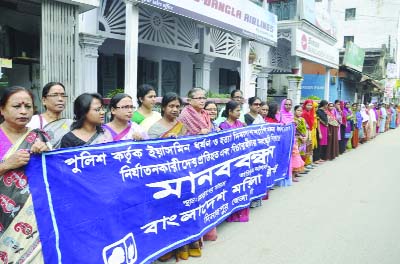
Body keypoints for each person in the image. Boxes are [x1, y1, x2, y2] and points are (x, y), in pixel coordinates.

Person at [0, 86, 51, 263]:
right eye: (16, 106)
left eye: (28, 106)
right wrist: (7, 165)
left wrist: (45, 154)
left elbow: (53, 176)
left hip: (33, 216)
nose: (23, 111)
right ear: (2, 109)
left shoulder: (39, 136)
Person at [177, 87, 212, 259]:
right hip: (188, 160)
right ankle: (186, 241)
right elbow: (184, 137)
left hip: (204, 159)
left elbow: (211, 132)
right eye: (197, 98)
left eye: (203, 97)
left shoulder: (205, 114)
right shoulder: (185, 115)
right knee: (189, 199)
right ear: (189, 100)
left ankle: (198, 236)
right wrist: (200, 133)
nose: (201, 100)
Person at [219, 100, 250, 222]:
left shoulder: (241, 125)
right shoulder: (223, 126)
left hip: (240, 161)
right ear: (229, 111)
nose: (239, 113)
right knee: (230, 187)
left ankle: (241, 213)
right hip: (229, 162)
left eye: (240, 110)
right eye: (237, 110)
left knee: (240, 187)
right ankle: (231, 214)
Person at [27, 82, 73, 148]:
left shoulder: (70, 124)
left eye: (63, 95)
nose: (60, 99)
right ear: (44, 100)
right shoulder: (33, 121)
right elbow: (27, 147)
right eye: (55, 95)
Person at [292, 105, 306, 181]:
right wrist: (300, 137)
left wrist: (305, 137)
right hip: (296, 139)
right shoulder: (293, 119)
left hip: (303, 139)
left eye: (301, 111)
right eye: (298, 110)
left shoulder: (302, 119)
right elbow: (295, 131)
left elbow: (305, 129)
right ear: (294, 111)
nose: (300, 112)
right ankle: (294, 173)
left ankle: (297, 171)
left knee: (301, 155)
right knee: (296, 157)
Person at [301, 99, 315, 167]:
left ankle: (308, 162)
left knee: (309, 146)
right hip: (305, 131)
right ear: (305, 105)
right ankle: (304, 163)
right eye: (308, 105)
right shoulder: (303, 113)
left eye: (311, 105)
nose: (310, 106)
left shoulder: (311, 112)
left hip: (309, 131)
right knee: (305, 147)